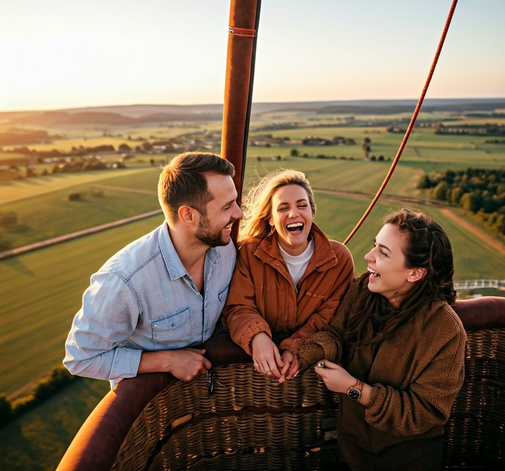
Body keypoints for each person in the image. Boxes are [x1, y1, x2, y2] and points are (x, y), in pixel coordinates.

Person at [297, 208, 467, 471]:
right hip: (350, 453)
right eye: (375, 245)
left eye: (383, 252)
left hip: (408, 462)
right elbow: (335, 334)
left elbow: (424, 413)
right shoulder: (362, 290)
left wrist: (354, 388)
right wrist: (302, 357)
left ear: (415, 273)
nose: (368, 256)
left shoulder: (445, 330)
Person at [63, 152, 243, 385]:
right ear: (188, 215)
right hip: (154, 411)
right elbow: (80, 358)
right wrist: (166, 361)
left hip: (207, 399)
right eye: (227, 206)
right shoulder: (124, 281)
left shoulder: (225, 249)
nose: (238, 213)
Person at [222, 169, 354, 383]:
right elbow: (237, 307)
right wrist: (257, 336)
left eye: (302, 205)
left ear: (312, 211)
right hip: (254, 374)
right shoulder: (248, 253)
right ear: (271, 219)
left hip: (308, 375)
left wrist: (295, 348)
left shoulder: (338, 260)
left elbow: (328, 318)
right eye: (283, 208)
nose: (294, 214)